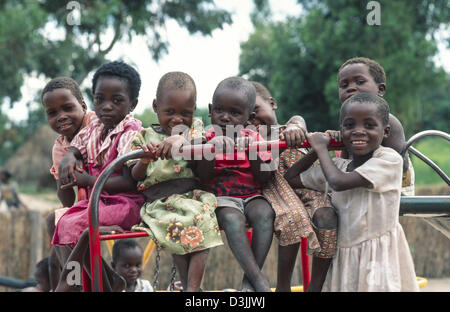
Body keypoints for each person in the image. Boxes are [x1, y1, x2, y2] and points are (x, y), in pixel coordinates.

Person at [285, 93, 419, 291]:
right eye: (349, 125)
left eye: (369, 125)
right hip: (344, 259)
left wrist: (322, 149)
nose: (358, 131)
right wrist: (317, 148)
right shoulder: (338, 165)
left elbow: (338, 183)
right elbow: (291, 178)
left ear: (386, 131)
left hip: (378, 259)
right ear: (341, 130)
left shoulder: (389, 160)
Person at [52, 61, 146, 291]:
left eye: (116, 100)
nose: (106, 106)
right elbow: (78, 145)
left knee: (79, 228)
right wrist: (70, 156)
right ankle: (106, 280)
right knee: (63, 223)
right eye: (100, 99)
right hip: (97, 203)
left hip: (125, 202)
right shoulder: (94, 126)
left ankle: (70, 282)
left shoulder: (130, 131)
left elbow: (128, 181)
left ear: (132, 104)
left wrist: (89, 181)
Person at [129, 71, 223, 292]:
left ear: (194, 111)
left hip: (191, 196)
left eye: (185, 113)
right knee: (174, 230)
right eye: (169, 112)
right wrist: (143, 160)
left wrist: (182, 139)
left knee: (203, 223)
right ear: (155, 106)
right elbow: (135, 176)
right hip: (159, 202)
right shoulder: (144, 137)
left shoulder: (195, 130)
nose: (177, 119)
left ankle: (192, 289)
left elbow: (202, 151)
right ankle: (189, 287)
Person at [250, 81, 339, 292]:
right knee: (289, 217)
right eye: (245, 116)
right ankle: (283, 287)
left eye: (255, 111)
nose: (252, 120)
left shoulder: (290, 130)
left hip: (306, 187)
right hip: (274, 188)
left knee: (327, 216)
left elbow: (297, 120)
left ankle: (315, 286)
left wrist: (295, 126)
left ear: (272, 104)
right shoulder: (251, 142)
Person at [195, 76, 275, 292]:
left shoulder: (256, 137)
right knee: (232, 219)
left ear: (249, 118)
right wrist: (210, 149)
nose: (225, 117)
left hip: (252, 195)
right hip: (221, 198)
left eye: (234, 113)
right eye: (219, 110)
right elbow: (202, 177)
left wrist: (252, 151)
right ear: (210, 110)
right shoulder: (205, 138)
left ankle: (250, 282)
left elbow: (264, 178)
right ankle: (259, 282)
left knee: (265, 214)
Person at [41, 76, 96, 290]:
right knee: (55, 220)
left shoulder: (97, 123)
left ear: (83, 106)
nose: (61, 117)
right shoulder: (59, 146)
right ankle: (79, 281)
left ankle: (76, 283)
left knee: (70, 224)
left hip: (112, 194)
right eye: (52, 113)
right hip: (86, 204)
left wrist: (74, 155)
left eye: (67, 108)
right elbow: (67, 200)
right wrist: (63, 176)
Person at [336, 57, 415, 196]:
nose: (351, 88)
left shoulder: (388, 121)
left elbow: (398, 165)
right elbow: (346, 159)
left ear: (380, 89)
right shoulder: (348, 122)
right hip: (361, 179)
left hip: (392, 186)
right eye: (344, 85)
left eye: (360, 82)